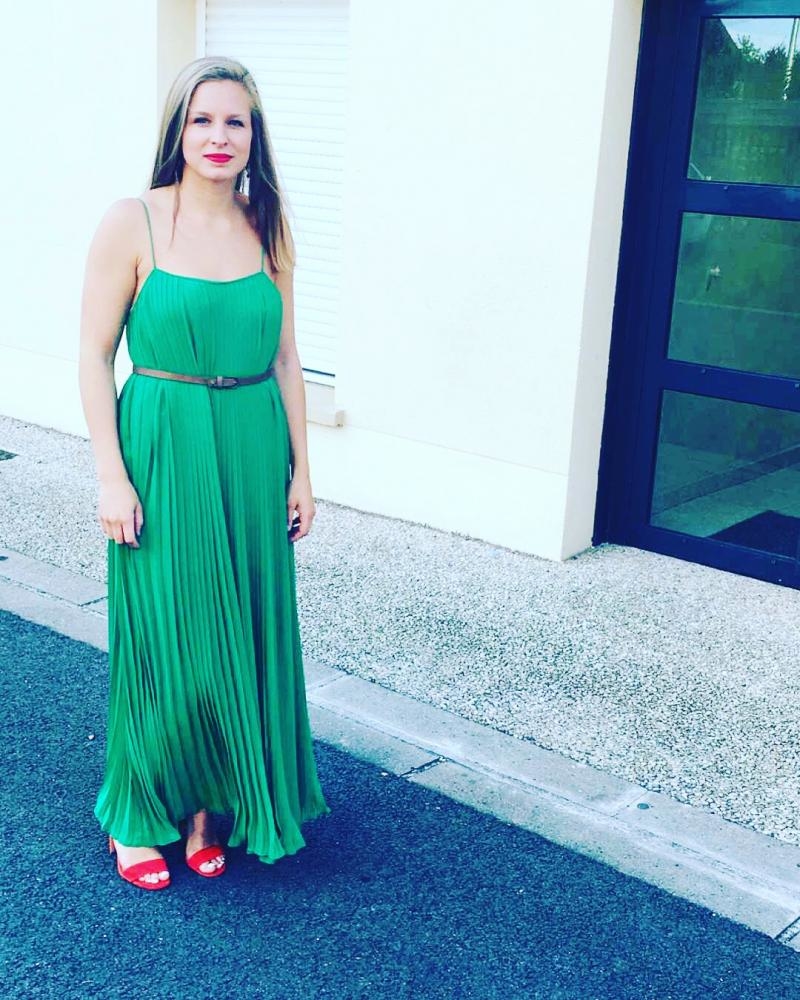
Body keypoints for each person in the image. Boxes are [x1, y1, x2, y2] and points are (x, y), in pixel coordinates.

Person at [78, 56, 331, 890]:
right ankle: (138, 814)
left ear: (255, 137)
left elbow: (287, 356)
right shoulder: (134, 222)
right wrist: (111, 476)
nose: (219, 136)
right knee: (164, 636)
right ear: (177, 130)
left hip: (252, 445)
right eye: (202, 119)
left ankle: (204, 810)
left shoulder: (270, 227)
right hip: (161, 441)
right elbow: (93, 354)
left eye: (235, 122)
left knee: (239, 635)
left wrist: (302, 471)